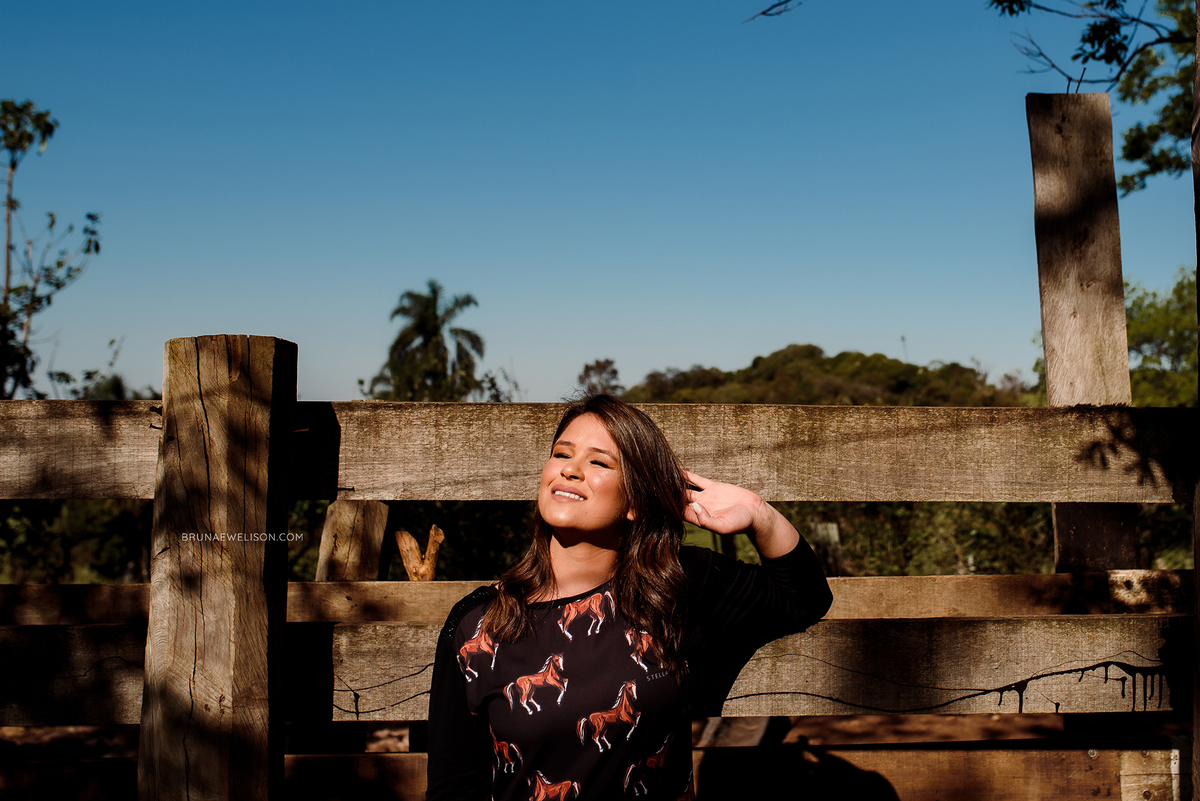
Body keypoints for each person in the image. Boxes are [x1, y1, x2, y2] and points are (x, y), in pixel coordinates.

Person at [426, 394, 832, 801]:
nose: (570, 469)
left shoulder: (675, 588)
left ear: (636, 501)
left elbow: (804, 599)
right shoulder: (478, 624)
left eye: (599, 462)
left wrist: (759, 513)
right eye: (560, 454)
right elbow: (454, 787)